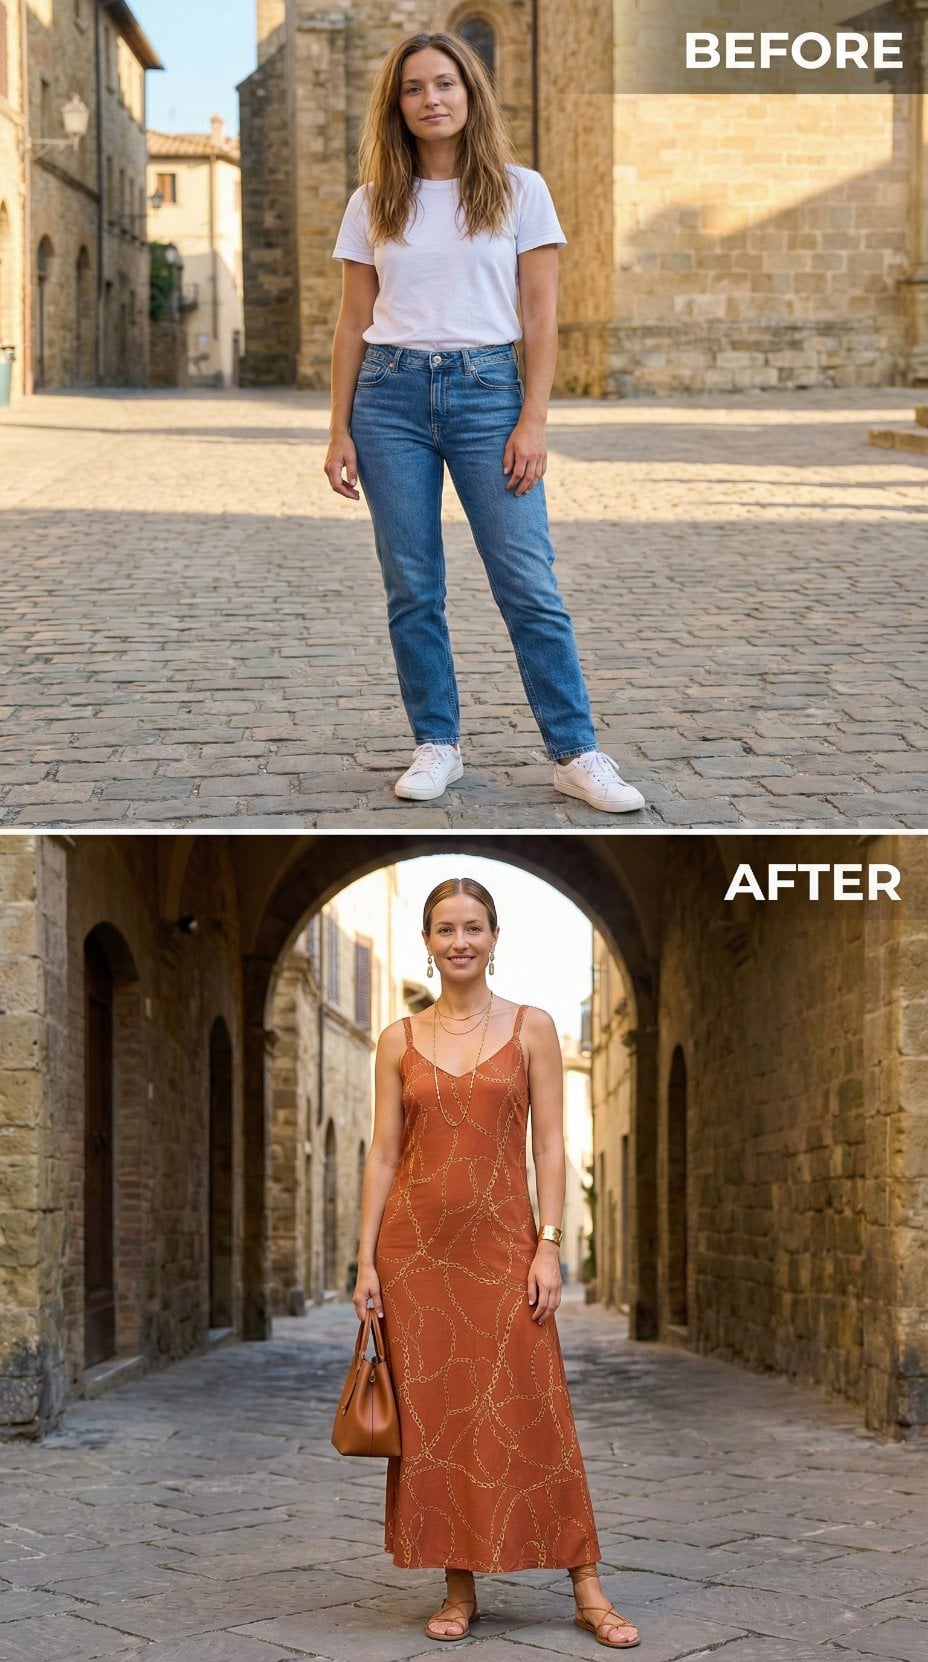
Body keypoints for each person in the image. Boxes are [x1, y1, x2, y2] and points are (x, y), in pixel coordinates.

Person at [325, 32, 646, 815]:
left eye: (444, 84)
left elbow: (541, 313)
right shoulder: (373, 201)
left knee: (527, 583)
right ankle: (436, 744)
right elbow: (351, 320)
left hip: (487, 393)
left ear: (471, 94)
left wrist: (533, 417)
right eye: (413, 89)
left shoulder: (518, 190)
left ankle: (575, 752)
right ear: (395, 106)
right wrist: (338, 429)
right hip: (389, 397)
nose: (430, 99)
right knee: (413, 586)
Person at [352, 876, 641, 1648]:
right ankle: (458, 1587)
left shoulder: (533, 1027)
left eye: (473, 927)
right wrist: (365, 1262)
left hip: (503, 1247)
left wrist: (549, 1243)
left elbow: (550, 1143)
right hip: (414, 1254)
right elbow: (384, 1153)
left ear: (494, 936)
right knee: (438, 1417)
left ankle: (586, 1584)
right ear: (427, 941)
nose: (459, 942)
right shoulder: (396, 1040)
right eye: (445, 928)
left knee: (535, 1406)